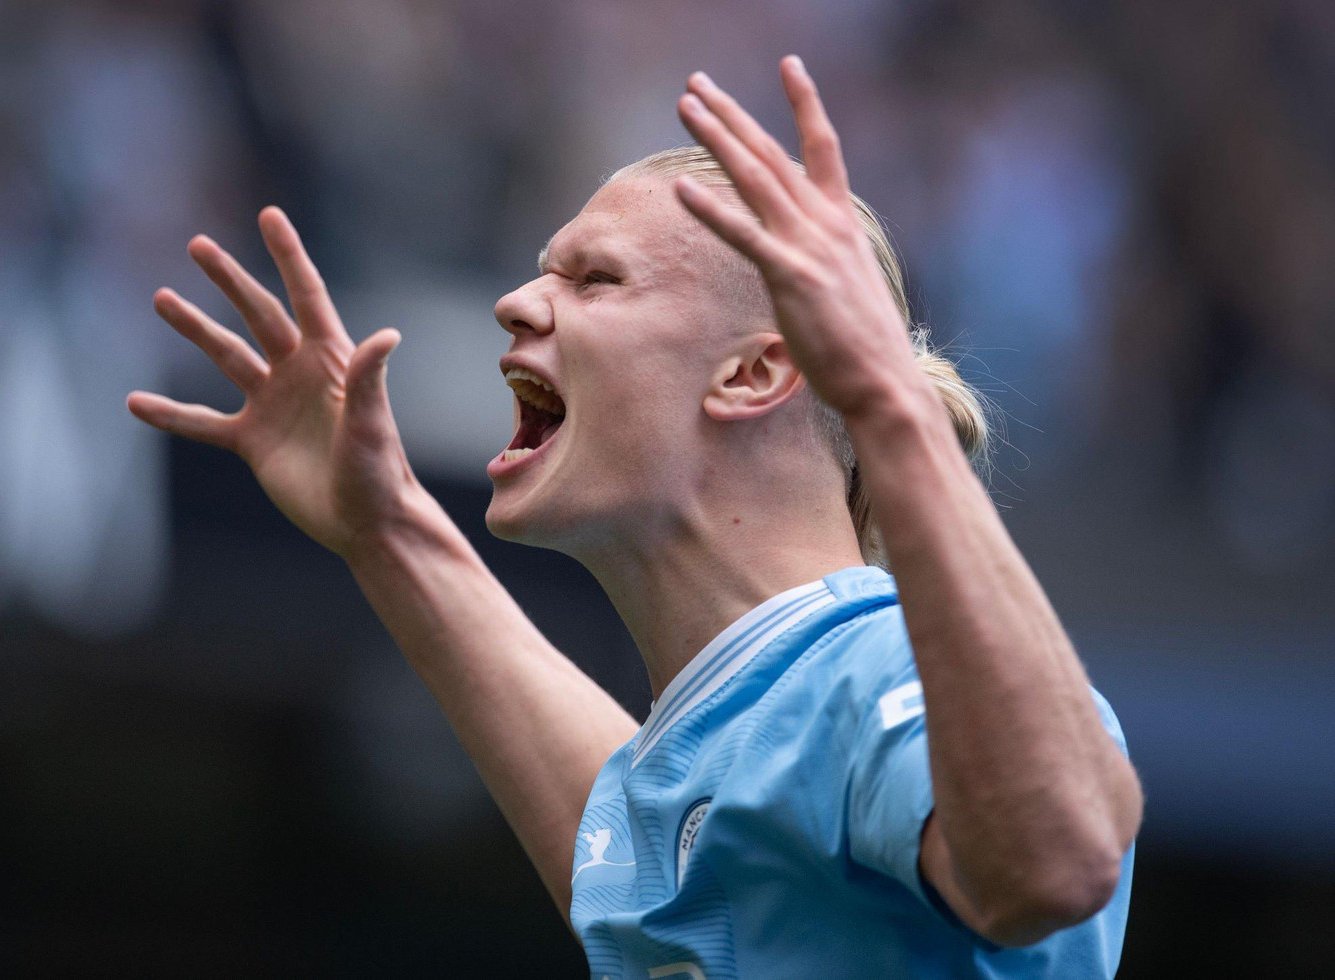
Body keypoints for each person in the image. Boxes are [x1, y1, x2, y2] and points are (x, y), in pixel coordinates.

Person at [127, 56, 1141, 979]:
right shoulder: (716, 745)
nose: (516, 303)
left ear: (752, 372)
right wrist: (387, 524)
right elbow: (635, 851)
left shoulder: (879, 666)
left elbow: (1057, 857)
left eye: (594, 277)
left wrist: (883, 394)